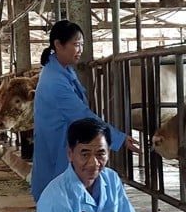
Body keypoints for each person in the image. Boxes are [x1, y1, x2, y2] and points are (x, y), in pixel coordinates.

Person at [30, 20, 140, 201]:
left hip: (62, 144)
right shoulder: (55, 81)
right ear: (58, 45)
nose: (80, 49)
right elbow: (82, 115)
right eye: (75, 44)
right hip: (58, 149)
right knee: (62, 202)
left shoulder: (62, 71)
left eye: (81, 44)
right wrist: (118, 138)